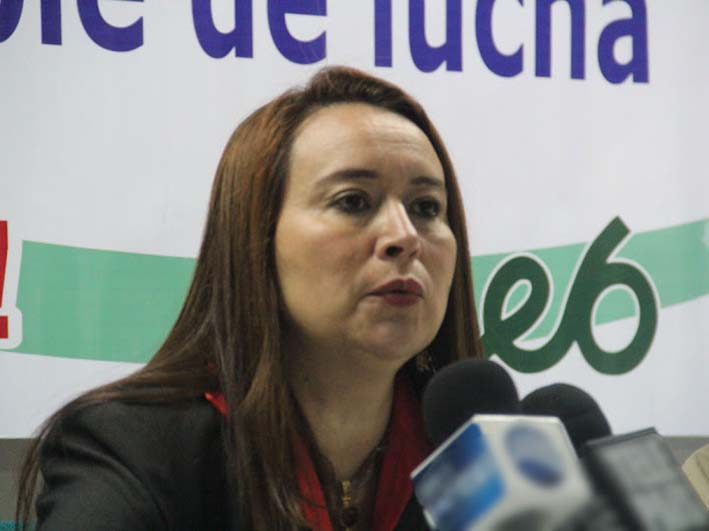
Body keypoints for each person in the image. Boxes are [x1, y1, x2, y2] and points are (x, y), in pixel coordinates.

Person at [16, 66, 482, 530]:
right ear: (256, 238)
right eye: (353, 201)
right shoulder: (134, 446)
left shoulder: (472, 453)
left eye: (426, 208)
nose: (405, 236)